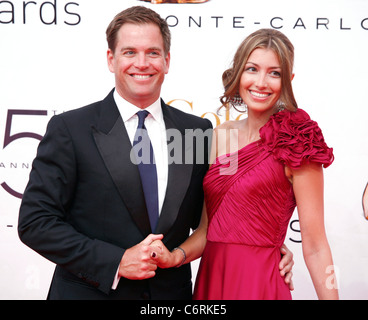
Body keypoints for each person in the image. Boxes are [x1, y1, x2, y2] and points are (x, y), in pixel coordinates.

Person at [18, 6, 293, 300]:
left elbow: (218, 213)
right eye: (129, 52)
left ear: (166, 60)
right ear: (111, 59)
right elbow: (36, 222)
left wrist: (268, 243)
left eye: (152, 52)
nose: (142, 63)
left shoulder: (194, 131)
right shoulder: (72, 129)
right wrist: (116, 261)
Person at [152, 28, 339, 300]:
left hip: (261, 283)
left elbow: (316, 246)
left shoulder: (298, 141)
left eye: (274, 73)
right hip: (213, 279)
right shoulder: (220, 135)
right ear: (239, 73)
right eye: (252, 69)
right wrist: (174, 257)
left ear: (288, 80)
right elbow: (208, 230)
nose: (261, 82)